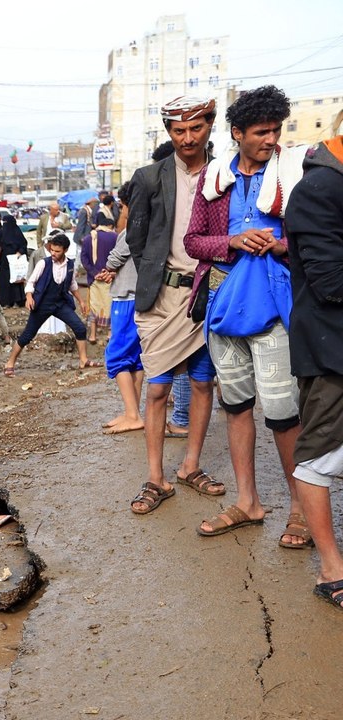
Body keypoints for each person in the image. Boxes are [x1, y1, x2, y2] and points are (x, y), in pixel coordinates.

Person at [184, 85, 307, 543]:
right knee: (236, 407)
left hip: (275, 309)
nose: (271, 139)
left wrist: (281, 245)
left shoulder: (296, 173)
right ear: (237, 133)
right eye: (261, 132)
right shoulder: (214, 178)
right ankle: (248, 502)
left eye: (276, 130)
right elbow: (193, 241)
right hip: (223, 306)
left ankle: (301, 509)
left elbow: (319, 236)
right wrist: (232, 241)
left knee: (283, 414)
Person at [123, 95, 224, 515]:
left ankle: (190, 466)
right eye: (179, 130)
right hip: (162, 299)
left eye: (196, 128)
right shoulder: (148, 178)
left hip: (206, 295)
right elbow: (136, 237)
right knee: (158, 389)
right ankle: (155, 478)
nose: (188, 137)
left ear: (210, 126)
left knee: (202, 383)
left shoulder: (224, 174)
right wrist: (157, 274)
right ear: (169, 131)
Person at [284, 111, 343, 609]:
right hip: (331, 349)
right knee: (318, 455)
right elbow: (330, 281)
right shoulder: (319, 189)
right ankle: (331, 568)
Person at [3, 234, 95, 376]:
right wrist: (29, 297)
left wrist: (81, 301)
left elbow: (72, 284)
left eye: (57, 251)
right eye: (52, 250)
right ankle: (10, 363)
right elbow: (31, 281)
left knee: (80, 328)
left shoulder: (70, 265)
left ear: (65, 250)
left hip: (60, 303)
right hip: (43, 304)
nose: (53, 253)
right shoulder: (43, 263)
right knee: (28, 335)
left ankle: (83, 360)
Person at [97, 187, 145, 434]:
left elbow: (118, 255)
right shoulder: (153, 225)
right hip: (140, 296)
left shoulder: (134, 228)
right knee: (135, 358)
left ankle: (133, 415)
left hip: (126, 298)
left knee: (116, 356)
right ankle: (131, 411)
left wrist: (109, 267)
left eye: (123, 206)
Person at [82, 206, 117, 344]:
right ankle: (109, 334)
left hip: (94, 279)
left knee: (94, 306)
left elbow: (84, 259)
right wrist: (109, 272)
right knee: (110, 305)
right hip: (110, 278)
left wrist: (94, 273)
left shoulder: (87, 238)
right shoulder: (115, 237)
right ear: (110, 226)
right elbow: (119, 257)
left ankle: (92, 335)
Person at [0, 212, 29, 308]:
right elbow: (24, 244)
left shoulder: (3, 231)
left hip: (8, 259)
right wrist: (19, 252)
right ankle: (15, 301)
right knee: (13, 279)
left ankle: (8, 302)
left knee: (9, 279)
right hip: (12, 259)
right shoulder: (16, 231)